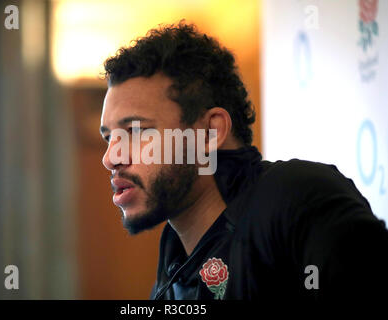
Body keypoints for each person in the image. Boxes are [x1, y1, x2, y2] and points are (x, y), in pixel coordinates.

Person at [99, 22, 388, 300]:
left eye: (135, 131)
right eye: (108, 137)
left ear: (210, 132)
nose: (111, 157)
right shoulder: (174, 259)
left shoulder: (298, 197)